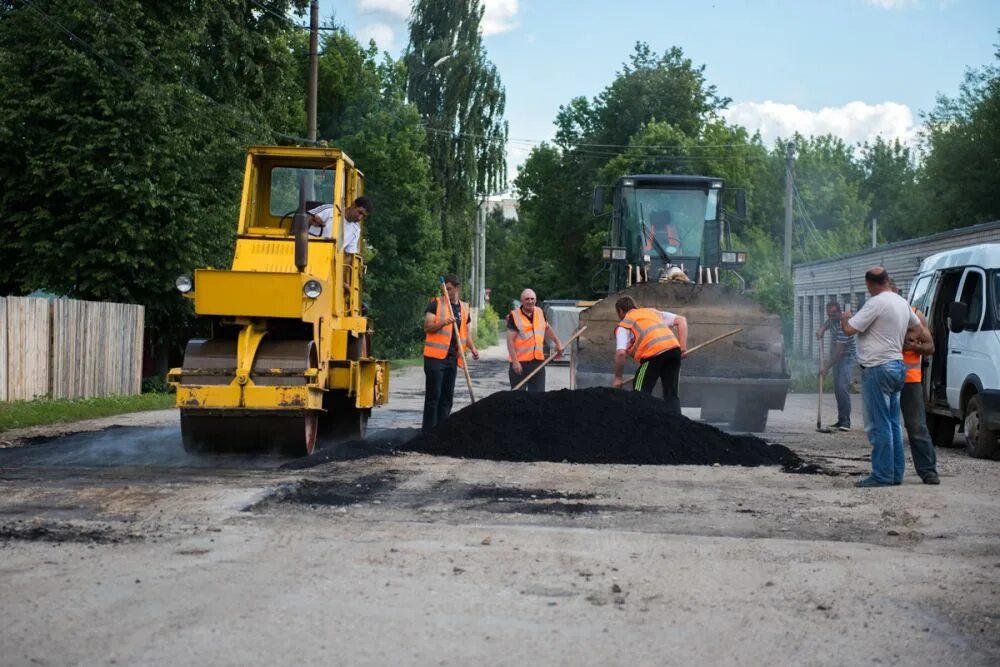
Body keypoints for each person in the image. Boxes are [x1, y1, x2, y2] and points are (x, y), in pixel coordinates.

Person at [841, 267, 922, 487]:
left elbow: (849, 330)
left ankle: (882, 475)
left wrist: (845, 318)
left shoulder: (876, 302)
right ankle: (895, 474)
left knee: (879, 424)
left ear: (869, 284)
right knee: (893, 422)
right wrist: (903, 341)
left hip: (877, 369)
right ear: (887, 280)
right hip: (897, 366)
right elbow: (918, 328)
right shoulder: (901, 302)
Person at [890, 280, 940, 484]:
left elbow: (930, 348)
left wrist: (912, 348)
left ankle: (928, 471)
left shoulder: (916, 315)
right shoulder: (878, 316)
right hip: (886, 377)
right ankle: (890, 471)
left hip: (910, 379)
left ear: (898, 294)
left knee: (916, 426)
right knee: (886, 426)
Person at [611, 295, 688, 415]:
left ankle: (641, 424)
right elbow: (681, 320)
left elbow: (621, 353)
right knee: (671, 395)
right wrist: (682, 347)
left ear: (620, 311)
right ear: (635, 306)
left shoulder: (625, 325)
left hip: (653, 356)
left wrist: (618, 378)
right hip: (674, 352)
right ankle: (677, 428)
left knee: (640, 392)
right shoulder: (652, 312)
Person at [422, 274, 479, 432]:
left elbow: (465, 334)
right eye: (444, 289)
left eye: (450, 289)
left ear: (457, 288)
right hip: (435, 358)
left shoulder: (464, 308)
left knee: (447, 397)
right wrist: (442, 323)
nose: (447, 292)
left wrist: (473, 348)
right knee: (434, 397)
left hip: (452, 358)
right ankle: (428, 432)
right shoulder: (436, 304)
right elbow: (427, 327)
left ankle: (442, 431)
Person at [506, 289, 565, 391]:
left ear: (536, 300)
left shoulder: (540, 312)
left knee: (538, 397)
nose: (530, 301)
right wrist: (515, 362)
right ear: (522, 301)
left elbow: (547, 329)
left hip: (537, 362)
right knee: (518, 398)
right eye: (527, 299)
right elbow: (510, 341)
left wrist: (558, 343)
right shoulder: (514, 316)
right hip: (520, 363)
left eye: (532, 299)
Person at [816, 302, 857, 431]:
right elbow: (828, 323)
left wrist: (826, 367)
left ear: (839, 312)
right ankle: (841, 420)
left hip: (847, 357)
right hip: (838, 357)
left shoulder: (844, 325)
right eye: (829, 314)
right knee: (837, 389)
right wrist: (822, 328)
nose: (831, 317)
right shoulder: (833, 320)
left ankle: (846, 422)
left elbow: (839, 351)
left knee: (842, 387)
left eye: (833, 314)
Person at [307, 196, 373, 254]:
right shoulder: (329, 210)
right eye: (359, 212)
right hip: (307, 251)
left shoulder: (356, 231)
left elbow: (348, 255)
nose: (359, 218)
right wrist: (311, 219)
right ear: (353, 205)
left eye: (363, 216)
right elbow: (303, 219)